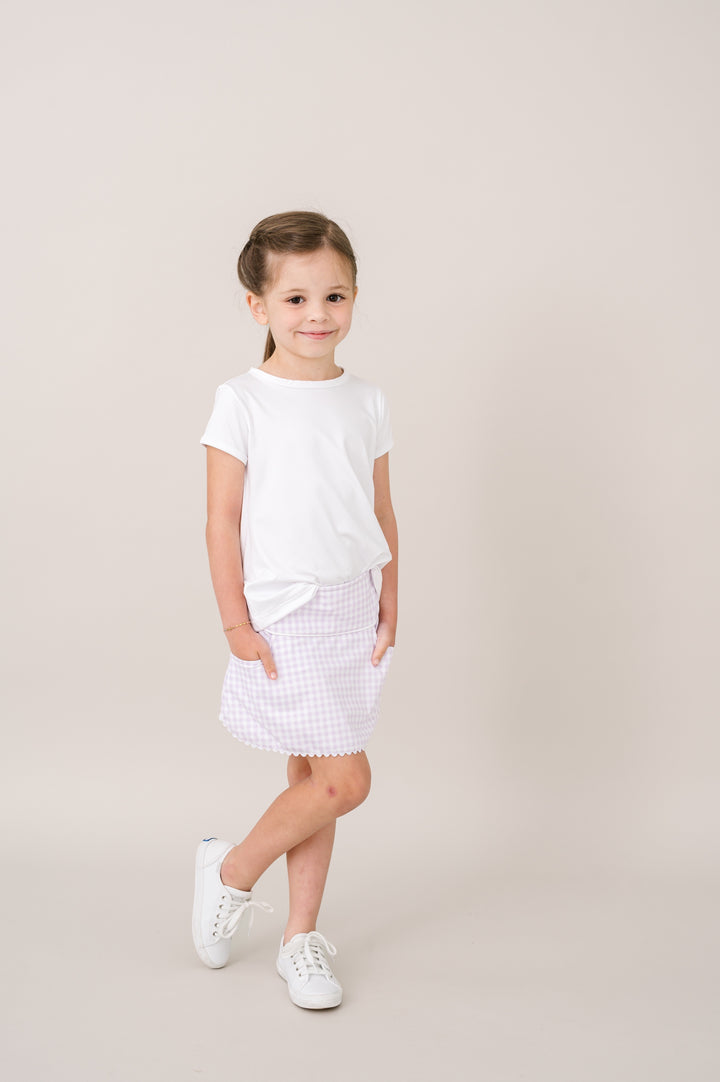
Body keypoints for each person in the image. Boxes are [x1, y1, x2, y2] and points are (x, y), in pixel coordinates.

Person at [193, 210, 398, 1010]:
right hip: (284, 608)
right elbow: (221, 520)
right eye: (296, 299)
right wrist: (234, 622)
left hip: (351, 606)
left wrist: (390, 599)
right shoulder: (242, 400)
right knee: (345, 779)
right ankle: (233, 870)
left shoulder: (366, 400)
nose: (318, 315)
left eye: (334, 296)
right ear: (259, 306)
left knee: (314, 774)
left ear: (355, 298)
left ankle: (299, 938)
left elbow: (380, 508)